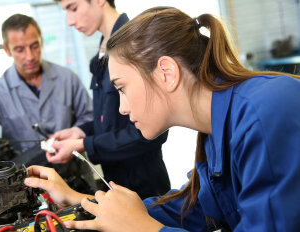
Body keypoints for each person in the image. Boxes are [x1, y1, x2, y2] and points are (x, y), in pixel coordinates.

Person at [24, 6, 300, 231]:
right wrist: (79, 201)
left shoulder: (266, 112)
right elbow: (191, 207)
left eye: (122, 88)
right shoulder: (216, 135)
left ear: (166, 73)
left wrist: (146, 229)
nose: (121, 107)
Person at [0, 14, 95, 192]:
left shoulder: (67, 79)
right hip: (28, 187)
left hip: (76, 178)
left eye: (35, 46)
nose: (30, 56)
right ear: (7, 50)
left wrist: (74, 137)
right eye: (19, 49)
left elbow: (90, 119)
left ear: (41, 41)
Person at [49, 0, 170, 199]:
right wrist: (80, 132)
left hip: (145, 187)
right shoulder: (103, 50)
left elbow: (150, 133)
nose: (70, 21)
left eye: (73, 8)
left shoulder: (134, 44)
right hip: (116, 183)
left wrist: (85, 145)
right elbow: (109, 118)